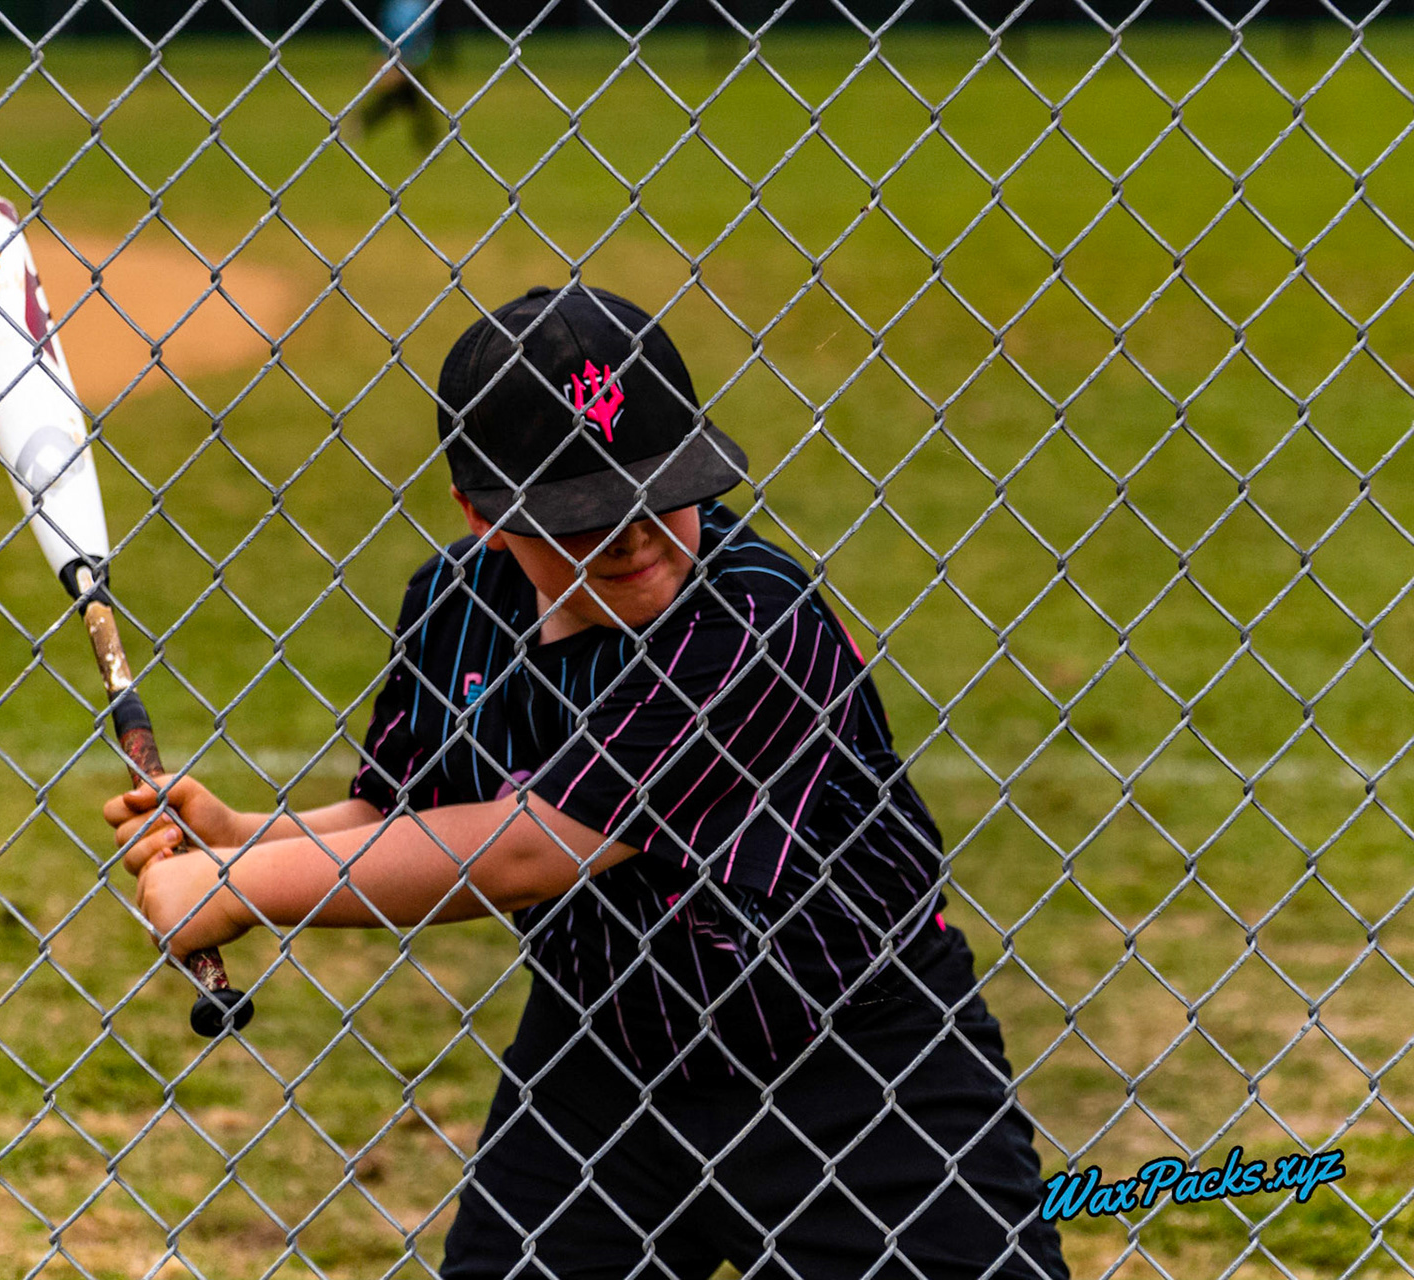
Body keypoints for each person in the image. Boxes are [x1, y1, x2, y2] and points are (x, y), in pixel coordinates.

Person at [105, 285, 1071, 1280]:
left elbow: (530, 846)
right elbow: (407, 813)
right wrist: (245, 837)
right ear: (481, 512)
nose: (637, 537)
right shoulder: (452, 602)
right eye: (584, 513)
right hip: (602, 1061)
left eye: (662, 489)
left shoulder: (753, 620)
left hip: (850, 1064)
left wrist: (237, 893)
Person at [355, 0, 441, 149]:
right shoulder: (405, 6)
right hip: (406, 59)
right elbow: (394, 32)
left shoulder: (404, 5)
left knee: (406, 101)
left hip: (410, 59)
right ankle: (361, 122)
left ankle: (362, 123)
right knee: (410, 101)